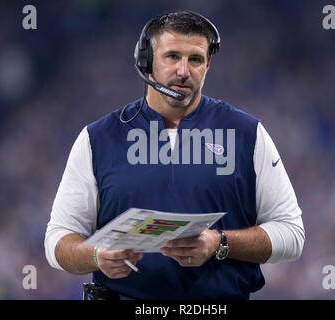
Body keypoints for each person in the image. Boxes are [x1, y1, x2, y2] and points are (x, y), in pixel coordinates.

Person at [45, 10, 305, 300]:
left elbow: (292, 234)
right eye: (172, 57)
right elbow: (57, 241)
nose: (184, 70)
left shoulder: (247, 133)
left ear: (207, 65)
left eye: (195, 59)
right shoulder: (97, 138)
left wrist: (220, 242)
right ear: (147, 62)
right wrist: (95, 255)